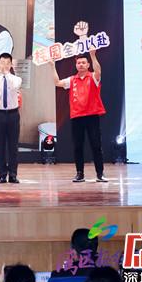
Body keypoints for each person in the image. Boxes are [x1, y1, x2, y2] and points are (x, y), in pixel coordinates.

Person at [50, 49, 108, 183]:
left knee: (96, 145)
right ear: (76, 65)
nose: (81, 65)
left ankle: (100, 173)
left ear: (88, 65)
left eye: (83, 63)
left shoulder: (93, 77)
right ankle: (79, 173)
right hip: (77, 117)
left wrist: (93, 55)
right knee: (78, 146)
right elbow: (57, 82)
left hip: (92, 116)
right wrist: (52, 66)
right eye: (79, 63)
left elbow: (98, 71)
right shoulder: (72, 80)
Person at [0, 53, 22, 184]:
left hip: (12, 114)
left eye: (7, 63)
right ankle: (2, 174)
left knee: (13, 146)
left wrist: (6, 74)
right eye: (2, 63)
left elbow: (13, 86)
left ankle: (13, 174)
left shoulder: (16, 79)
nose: (4, 65)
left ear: (11, 64)